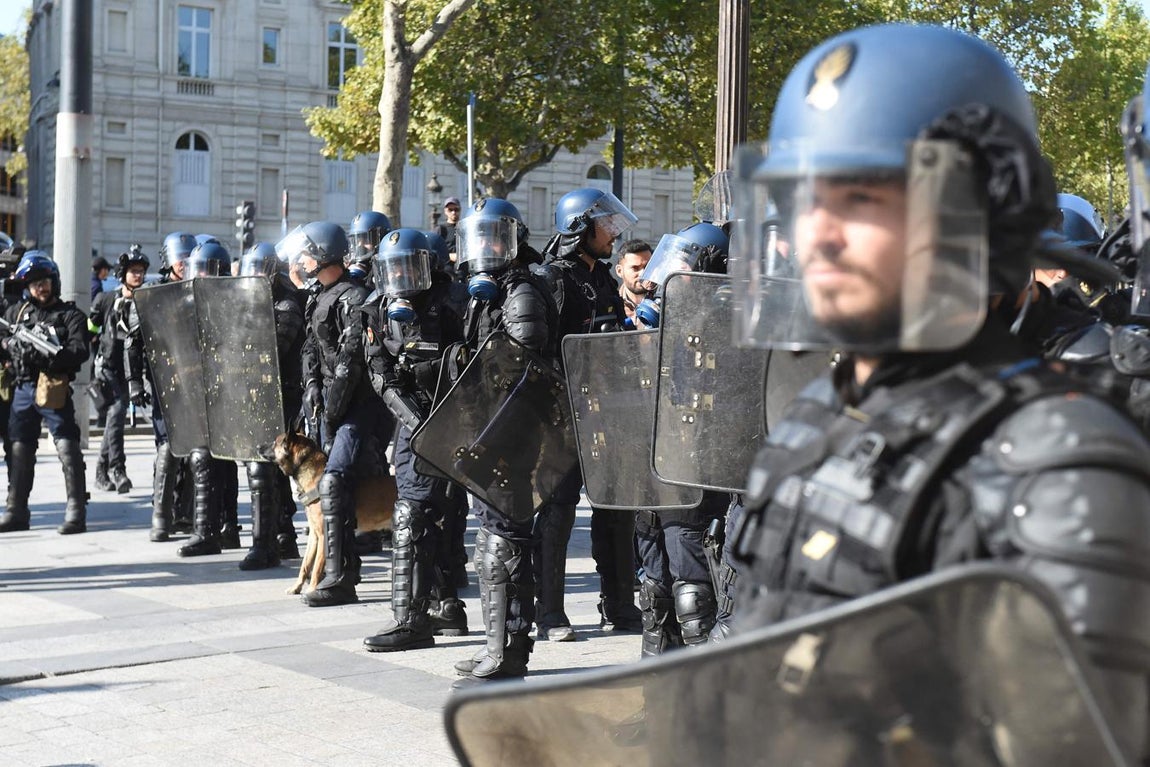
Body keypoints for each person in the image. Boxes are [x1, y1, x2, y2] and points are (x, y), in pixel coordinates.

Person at [726, 23, 1150, 761]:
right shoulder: (819, 412)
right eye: (802, 197)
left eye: (858, 196)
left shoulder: (1054, 461)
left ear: (968, 211)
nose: (814, 233)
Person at [450, 198, 558, 686]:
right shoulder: (488, 295)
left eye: (494, 236)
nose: (486, 247)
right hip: (488, 430)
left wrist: (492, 440)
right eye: (479, 237)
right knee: (490, 540)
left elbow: (522, 377)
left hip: (513, 435)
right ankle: (498, 647)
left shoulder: (522, 295)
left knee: (506, 543)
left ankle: (510, 653)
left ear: (513, 239)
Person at [531, 187, 637, 642]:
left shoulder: (601, 278)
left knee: (615, 508)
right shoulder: (553, 280)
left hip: (606, 411)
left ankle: (618, 604)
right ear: (580, 228)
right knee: (557, 512)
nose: (613, 232)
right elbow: (540, 351)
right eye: (605, 225)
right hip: (563, 414)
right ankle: (549, 611)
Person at [361, 229, 470, 651]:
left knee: (430, 513)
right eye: (395, 268)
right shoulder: (377, 309)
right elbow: (380, 373)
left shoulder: (457, 303)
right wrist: (417, 421)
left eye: (411, 266)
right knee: (416, 510)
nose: (403, 277)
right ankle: (441, 607)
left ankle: (412, 618)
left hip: (458, 419)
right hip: (414, 423)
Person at [282, 221, 385, 607]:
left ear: (324, 253)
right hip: (326, 405)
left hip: (355, 409)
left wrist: (333, 406)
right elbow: (311, 348)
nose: (302, 261)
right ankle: (340, 568)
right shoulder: (319, 296)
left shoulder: (355, 298)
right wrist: (311, 387)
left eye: (307, 253)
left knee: (335, 481)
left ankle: (340, 576)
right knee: (333, 484)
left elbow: (351, 360)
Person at [0, 252, 90, 534]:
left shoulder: (71, 315)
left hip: (53, 386)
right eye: (35, 282)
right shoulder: (17, 313)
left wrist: (48, 357)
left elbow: (79, 351)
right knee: (19, 449)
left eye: (45, 280)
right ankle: (16, 510)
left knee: (67, 446)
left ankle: (76, 511)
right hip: (23, 387)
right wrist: (13, 349)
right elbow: (3, 340)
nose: (41, 287)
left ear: (54, 281)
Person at [236, 242, 306, 571]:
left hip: (285, 397)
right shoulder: (254, 302)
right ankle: (282, 535)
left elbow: (272, 350)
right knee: (270, 470)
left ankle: (265, 544)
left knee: (263, 470)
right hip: (261, 395)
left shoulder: (287, 304)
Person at [89, 245, 150, 495]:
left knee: (115, 418)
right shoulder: (106, 299)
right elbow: (91, 330)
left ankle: (102, 470)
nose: (138, 276)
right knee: (116, 412)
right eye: (133, 271)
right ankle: (117, 469)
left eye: (141, 272)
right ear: (122, 274)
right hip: (108, 368)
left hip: (131, 372)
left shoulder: (146, 301)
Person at [347, 210, 391, 290]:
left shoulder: (390, 272)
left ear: (382, 240)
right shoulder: (348, 270)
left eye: (366, 240)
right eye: (357, 241)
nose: (360, 245)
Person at [615, 239, 652, 324]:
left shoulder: (665, 301)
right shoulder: (610, 304)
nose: (643, 273)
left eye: (647, 267)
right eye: (635, 268)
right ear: (619, 271)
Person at [436, 196, 463, 269]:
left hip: (464, 268)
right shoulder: (441, 229)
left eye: (456, 209)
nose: (453, 212)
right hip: (447, 270)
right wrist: (450, 256)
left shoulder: (465, 228)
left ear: (460, 210)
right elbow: (435, 250)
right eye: (450, 210)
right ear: (445, 211)